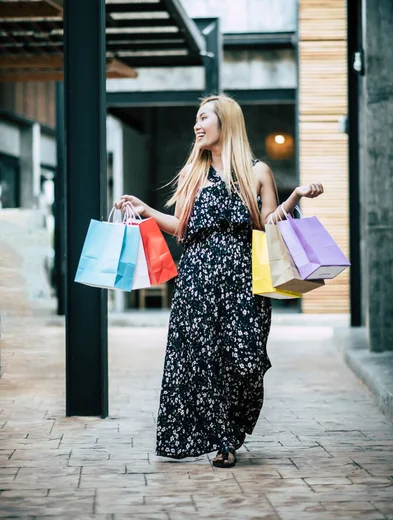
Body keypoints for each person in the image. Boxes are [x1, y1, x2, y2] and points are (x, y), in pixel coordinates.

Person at [115, 94, 323, 468]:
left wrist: (295, 196)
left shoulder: (257, 172)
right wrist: (145, 210)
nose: (197, 125)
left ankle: (231, 430)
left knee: (246, 361)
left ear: (225, 122)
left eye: (204, 117)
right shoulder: (194, 173)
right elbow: (182, 227)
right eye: (196, 118)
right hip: (197, 280)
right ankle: (223, 441)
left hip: (244, 282)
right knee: (204, 362)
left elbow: (266, 224)